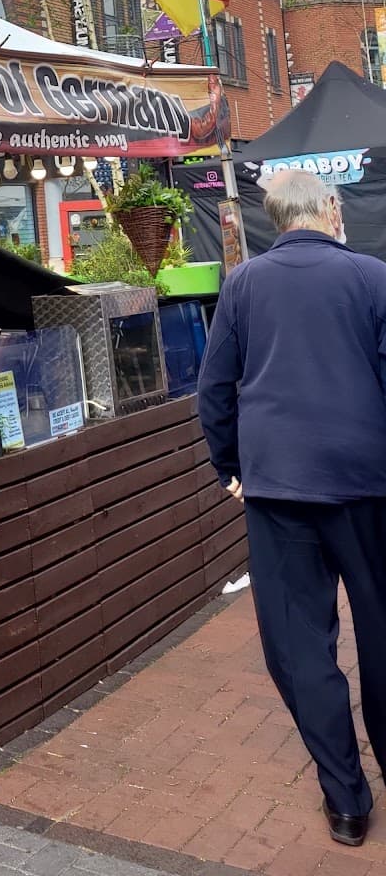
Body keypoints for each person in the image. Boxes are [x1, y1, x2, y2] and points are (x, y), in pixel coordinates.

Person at [199, 168, 386, 848]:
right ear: (331, 209)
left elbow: (214, 388)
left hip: (277, 488)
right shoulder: (374, 278)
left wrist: (229, 467)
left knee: (298, 645)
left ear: (275, 219)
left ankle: (345, 800)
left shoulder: (244, 285)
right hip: (369, 485)